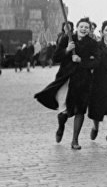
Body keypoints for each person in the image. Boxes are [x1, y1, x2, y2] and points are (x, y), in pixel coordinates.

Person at [35, 17, 99, 150]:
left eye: (86, 27)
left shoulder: (92, 43)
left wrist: (81, 61)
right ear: (77, 27)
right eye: (81, 26)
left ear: (89, 29)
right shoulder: (67, 39)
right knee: (63, 110)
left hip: (83, 80)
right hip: (66, 78)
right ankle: (61, 127)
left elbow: (97, 61)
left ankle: (75, 140)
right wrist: (67, 50)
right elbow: (56, 57)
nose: (84, 29)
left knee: (80, 109)